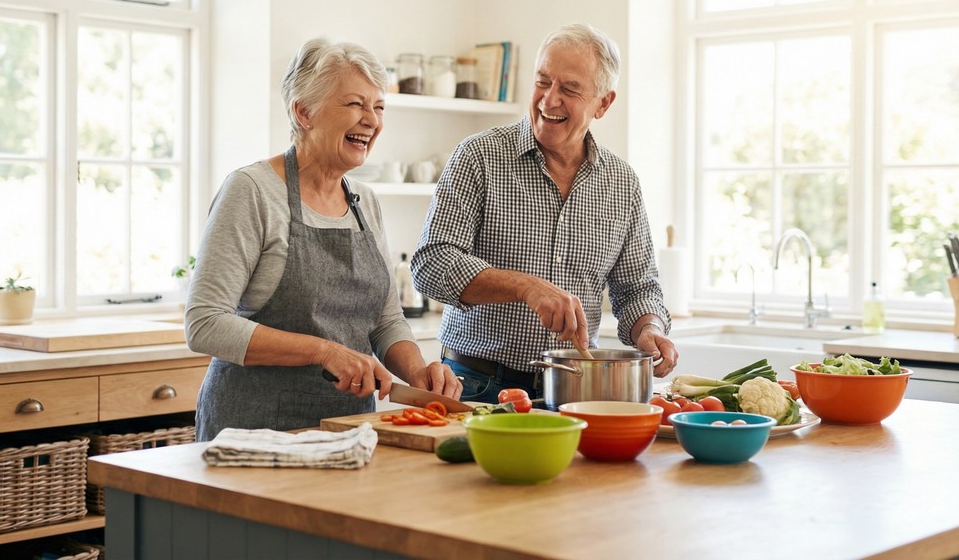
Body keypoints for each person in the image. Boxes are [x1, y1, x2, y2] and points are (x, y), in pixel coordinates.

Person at [186, 37, 462, 441]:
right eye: (355, 104)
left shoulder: (365, 202)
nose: (372, 120)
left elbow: (385, 322)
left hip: (346, 433)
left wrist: (419, 373)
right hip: (253, 433)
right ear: (304, 112)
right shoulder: (252, 191)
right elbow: (205, 324)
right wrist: (323, 351)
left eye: (378, 106)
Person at [411, 23, 678, 405]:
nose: (549, 100)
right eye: (542, 81)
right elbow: (432, 264)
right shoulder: (478, 157)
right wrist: (527, 287)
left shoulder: (622, 183)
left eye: (569, 89)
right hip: (478, 384)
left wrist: (649, 329)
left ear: (603, 103)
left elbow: (638, 287)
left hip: (578, 387)